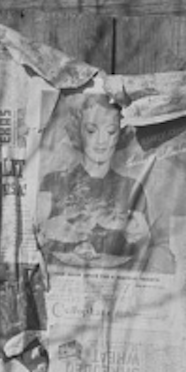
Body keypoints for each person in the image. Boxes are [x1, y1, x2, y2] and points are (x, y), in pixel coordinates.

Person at [35, 92, 154, 268]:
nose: (101, 141)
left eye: (111, 131)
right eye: (91, 130)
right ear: (78, 131)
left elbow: (145, 250)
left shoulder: (132, 187)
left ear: (120, 134)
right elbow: (36, 238)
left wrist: (142, 238)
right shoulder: (52, 182)